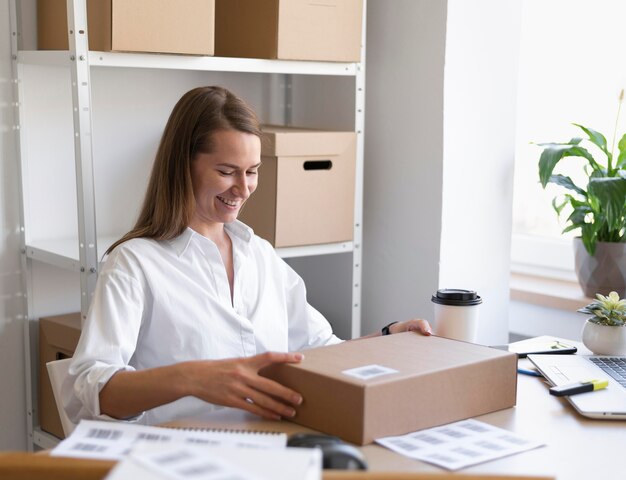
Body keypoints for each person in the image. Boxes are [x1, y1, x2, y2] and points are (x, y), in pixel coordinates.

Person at [65, 86, 432, 426]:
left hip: (268, 448)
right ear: (183, 165)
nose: (243, 188)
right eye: (226, 172)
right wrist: (192, 378)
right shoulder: (134, 264)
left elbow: (318, 350)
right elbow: (91, 388)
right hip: (176, 464)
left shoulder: (259, 256)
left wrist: (386, 339)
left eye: (252, 172)